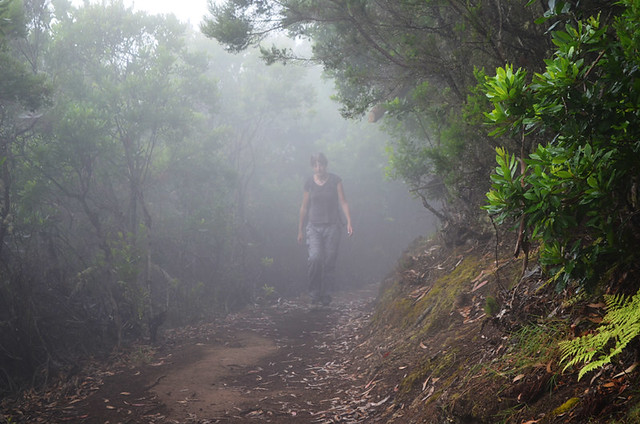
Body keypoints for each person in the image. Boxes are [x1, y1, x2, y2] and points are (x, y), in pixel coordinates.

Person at [297, 153, 353, 306]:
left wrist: (348, 221)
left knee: (329, 261)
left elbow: (343, 202)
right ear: (312, 167)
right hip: (313, 227)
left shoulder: (335, 180)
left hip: (332, 226)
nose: (318, 168)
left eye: (320, 164)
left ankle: (327, 295)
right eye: (315, 165)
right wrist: (300, 229)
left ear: (325, 165)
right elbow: (304, 207)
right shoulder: (309, 183)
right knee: (315, 258)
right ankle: (314, 294)